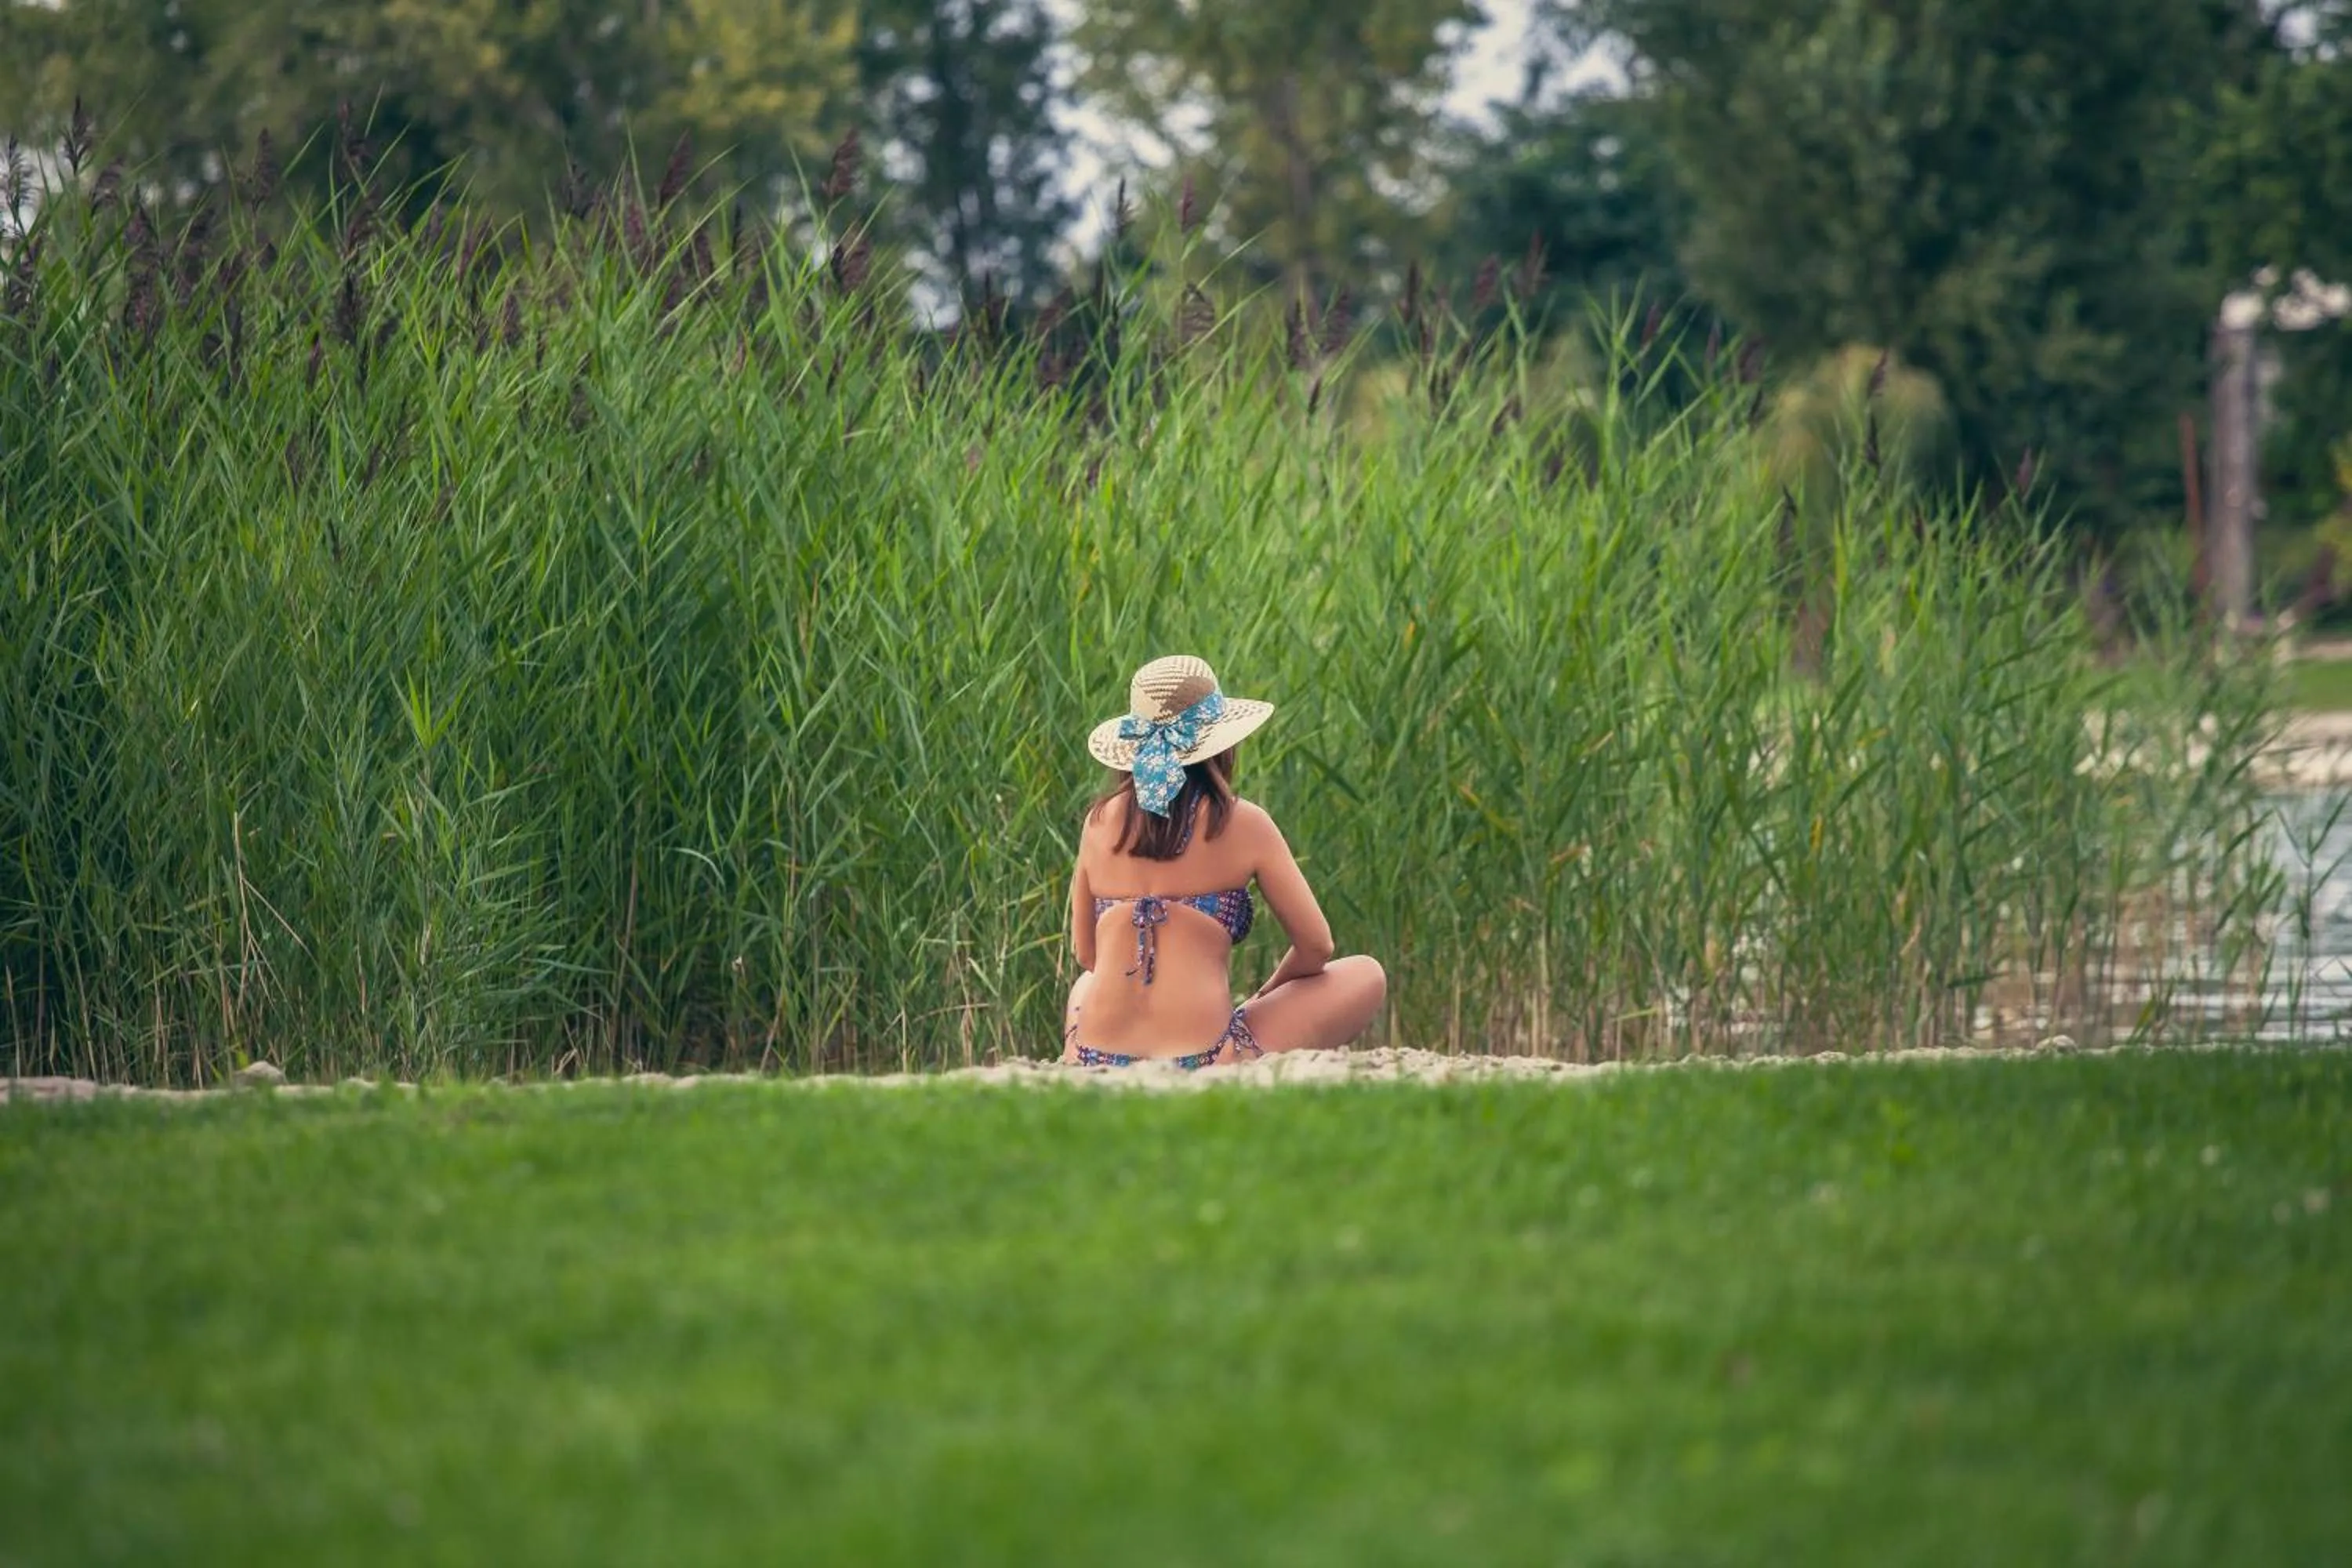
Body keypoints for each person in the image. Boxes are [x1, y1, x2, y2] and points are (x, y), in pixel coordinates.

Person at [1061, 655, 1387, 1069]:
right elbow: (1316, 946)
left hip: (1099, 1052)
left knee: (1086, 984)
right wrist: (1265, 996)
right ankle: (1230, 1048)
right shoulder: (1242, 823)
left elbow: (1088, 956)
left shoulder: (1098, 822)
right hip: (1205, 1056)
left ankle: (1075, 1051)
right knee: (1366, 974)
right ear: (1221, 743)